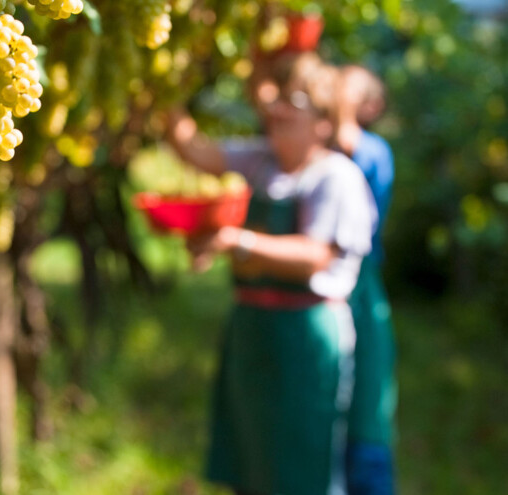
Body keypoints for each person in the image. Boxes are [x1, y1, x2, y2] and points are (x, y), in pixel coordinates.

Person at [166, 53, 377, 495]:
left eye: (293, 101)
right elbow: (198, 153)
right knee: (250, 453)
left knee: (303, 459)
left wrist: (237, 241)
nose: (277, 110)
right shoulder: (261, 161)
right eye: (277, 99)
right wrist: (166, 93)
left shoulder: (335, 177)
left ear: (322, 120)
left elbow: (314, 256)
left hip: (305, 335)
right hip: (251, 328)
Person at [334, 64, 397, 495]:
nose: (338, 84)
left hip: (360, 290)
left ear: (371, 106)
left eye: (349, 85)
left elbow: (345, 139)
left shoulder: (373, 150)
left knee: (365, 413)